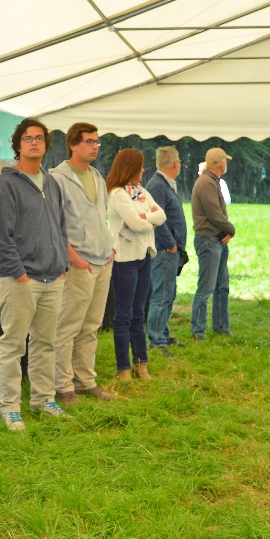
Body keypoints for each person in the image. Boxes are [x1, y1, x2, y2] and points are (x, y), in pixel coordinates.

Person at [0, 117, 70, 431]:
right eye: (27, 138)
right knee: (12, 345)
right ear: (18, 146)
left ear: (46, 145)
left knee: (45, 343)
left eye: (39, 138)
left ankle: (43, 399)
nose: (34, 142)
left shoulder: (51, 183)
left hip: (53, 277)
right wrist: (19, 274)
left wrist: (61, 265)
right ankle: (10, 407)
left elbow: (61, 227)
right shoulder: (6, 184)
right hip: (21, 280)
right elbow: (1, 236)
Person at [48, 123, 116, 404]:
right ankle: (63, 386)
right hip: (79, 262)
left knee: (91, 326)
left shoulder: (98, 176)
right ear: (73, 145)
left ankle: (86, 381)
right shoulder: (57, 178)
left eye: (97, 142)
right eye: (89, 141)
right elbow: (54, 223)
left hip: (102, 260)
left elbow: (101, 217)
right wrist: (72, 257)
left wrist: (109, 247)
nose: (95, 146)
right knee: (68, 326)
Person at [106, 149, 167, 380]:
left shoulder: (141, 191)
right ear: (129, 168)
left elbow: (161, 216)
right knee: (124, 313)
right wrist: (145, 220)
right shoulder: (117, 194)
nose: (143, 170)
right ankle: (123, 367)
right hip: (124, 261)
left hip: (143, 257)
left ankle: (141, 364)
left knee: (139, 312)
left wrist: (145, 220)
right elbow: (136, 223)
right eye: (140, 166)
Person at [191, 147, 235, 341]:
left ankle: (221, 326)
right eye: (225, 161)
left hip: (216, 239)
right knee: (207, 288)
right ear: (220, 164)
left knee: (221, 286)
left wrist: (225, 231)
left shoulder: (211, 181)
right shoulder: (207, 183)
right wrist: (230, 229)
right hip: (209, 241)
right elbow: (214, 214)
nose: (226, 164)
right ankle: (198, 331)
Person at [146, 146, 187, 352]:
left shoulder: (165, 184)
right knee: (161, 295)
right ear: (175, 164)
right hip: (163, 250)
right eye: (179, 159)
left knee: (168, 294)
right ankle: (156, 340)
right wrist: (170, 244)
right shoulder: (158, 185)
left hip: (170, 249)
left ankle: (163, 334)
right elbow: (157, 220)